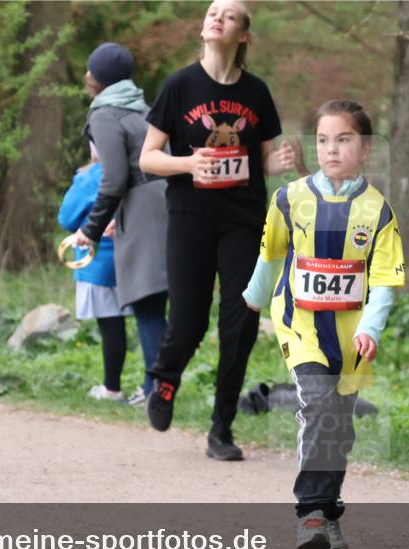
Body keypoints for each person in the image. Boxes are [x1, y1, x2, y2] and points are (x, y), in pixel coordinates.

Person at [242, 100, 406, 549]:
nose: (331, 150)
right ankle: (310, 513)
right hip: (301, 327)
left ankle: (330, 512)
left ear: (366, 149)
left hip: (352, 340)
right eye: (323, 140)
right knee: (317, 406)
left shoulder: (378, 211)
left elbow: (386, 281)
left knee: (339, 426)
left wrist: (370, 329)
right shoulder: (289, 199)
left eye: (344, 139)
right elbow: (271, 254)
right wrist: (253, 301)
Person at [138, 0, 296, 461]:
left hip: (244, 219)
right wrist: (189, 163)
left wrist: (279, 162)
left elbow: (260, 158)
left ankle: (221, 429)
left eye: (228, 15)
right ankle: (165, 380)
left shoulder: (257, 92)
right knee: (188, 322)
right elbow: (149, 157)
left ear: (243, 35)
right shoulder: (180, 85)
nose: (216, 17)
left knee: (240, 324)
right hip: (190, 218)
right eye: (212, 11)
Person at [74, 42, 169, 401]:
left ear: (99, 78)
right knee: (156, 301)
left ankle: (156, 390)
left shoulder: (104, 114)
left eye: (90, 70)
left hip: (143, 206)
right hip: (164, 202)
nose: (86, 75)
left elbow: (112, 178)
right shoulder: (141, 108)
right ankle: (157, 385)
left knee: (146, 301)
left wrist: (90, 229)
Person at [58, 146, 142, 402]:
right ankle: (150, 385)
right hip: (133, 259)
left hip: (99, 263)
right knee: (135, 323)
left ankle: (112, 388)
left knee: (110, 326)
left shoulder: (91, 176)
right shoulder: (136, 172)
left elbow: (66, 216)